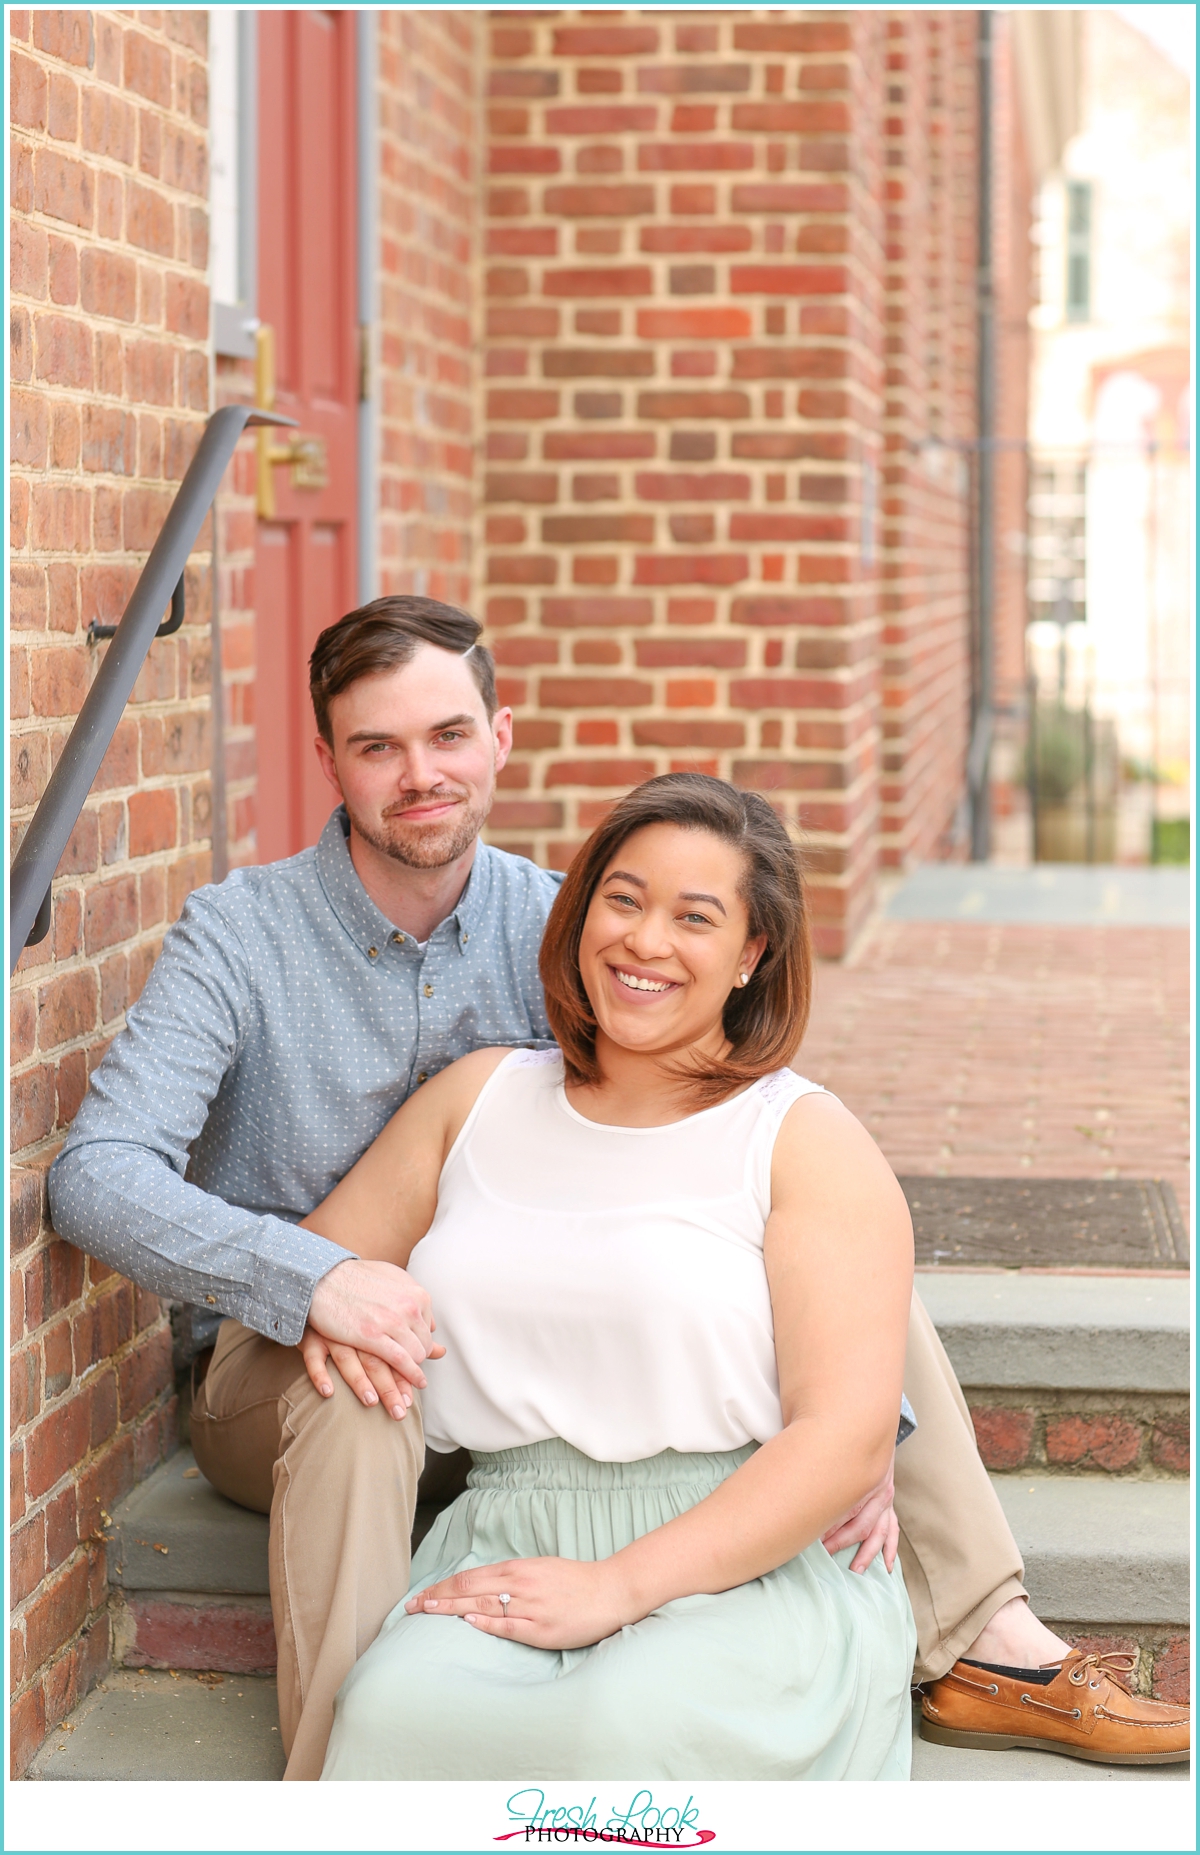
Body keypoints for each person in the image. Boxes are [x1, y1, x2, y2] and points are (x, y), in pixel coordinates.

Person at [49, 595, 1187, 1777]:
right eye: (378, 746)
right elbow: (97, 1176)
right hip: (299, 1362)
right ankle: (343, 1775)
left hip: (505, 1370)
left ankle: (982, 1632)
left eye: (447, 736)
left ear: (500, 735)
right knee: (365, 1390)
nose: (419, 774)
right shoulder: (241, 935)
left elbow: (725, 1150)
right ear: (327, 756)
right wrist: (316, 1278)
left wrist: (858, 1439)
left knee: (811, 1206)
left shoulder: (576, 920)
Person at [311, 773, 916, 1778]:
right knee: (390, 1711)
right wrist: (329, 1303)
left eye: (695, 917)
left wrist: (619, 1585)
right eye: (624, 900)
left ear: (750, 954)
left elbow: (844, 1436)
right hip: (503, 1526)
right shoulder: (479, 1099)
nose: (644, 941)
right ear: (581, 911)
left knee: (621, 1731)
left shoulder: (802, 1138)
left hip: (743, 1562)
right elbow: (312, 1270)